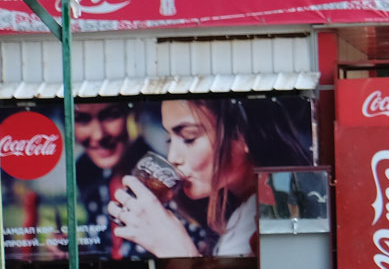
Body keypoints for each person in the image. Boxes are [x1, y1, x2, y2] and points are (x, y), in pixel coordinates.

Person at [108, 97, 311, 257]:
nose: (172, 158)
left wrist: (176, 249)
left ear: (244, 135)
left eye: (189, 138)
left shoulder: (285, 206)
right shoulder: (239, 209)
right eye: (170, 139)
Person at [73, 100, 150, 260]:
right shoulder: (85, 171)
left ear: (134, 115)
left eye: (111, 116)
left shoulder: (161, 180)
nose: (98, 135)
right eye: (82, 119)